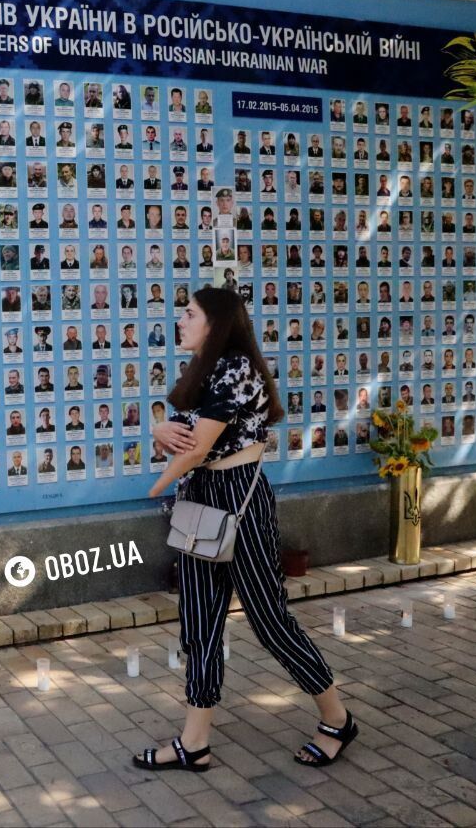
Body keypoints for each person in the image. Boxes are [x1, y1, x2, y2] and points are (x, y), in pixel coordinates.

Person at [137, 288, 352, 772]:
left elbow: (194, 449)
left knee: (269, 620)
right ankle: (194, 743)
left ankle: (337, 719)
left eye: (189, 313)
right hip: (202, 498)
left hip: (240, 498)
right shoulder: (203, 369)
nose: (180, 320)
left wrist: (157, 488)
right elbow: (179, 434)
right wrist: (157, 430)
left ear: (215, 322)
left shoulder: (236, 367)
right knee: (199, 622)